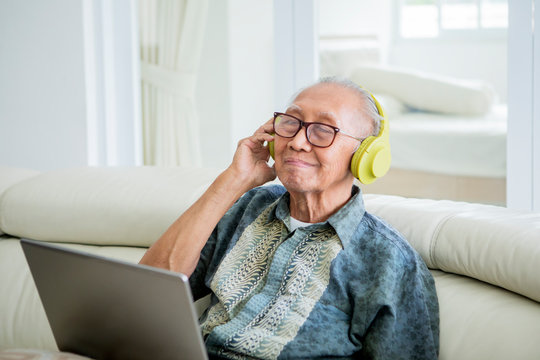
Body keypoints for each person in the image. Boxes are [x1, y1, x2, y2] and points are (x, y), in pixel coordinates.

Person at [140, 77, 439, 359]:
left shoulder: (389, 261)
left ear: (366, 155)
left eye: (323, 129)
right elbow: (149, 292)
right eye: (290, 123)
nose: (297, 141)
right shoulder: (250, 207)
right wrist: (234, 180)